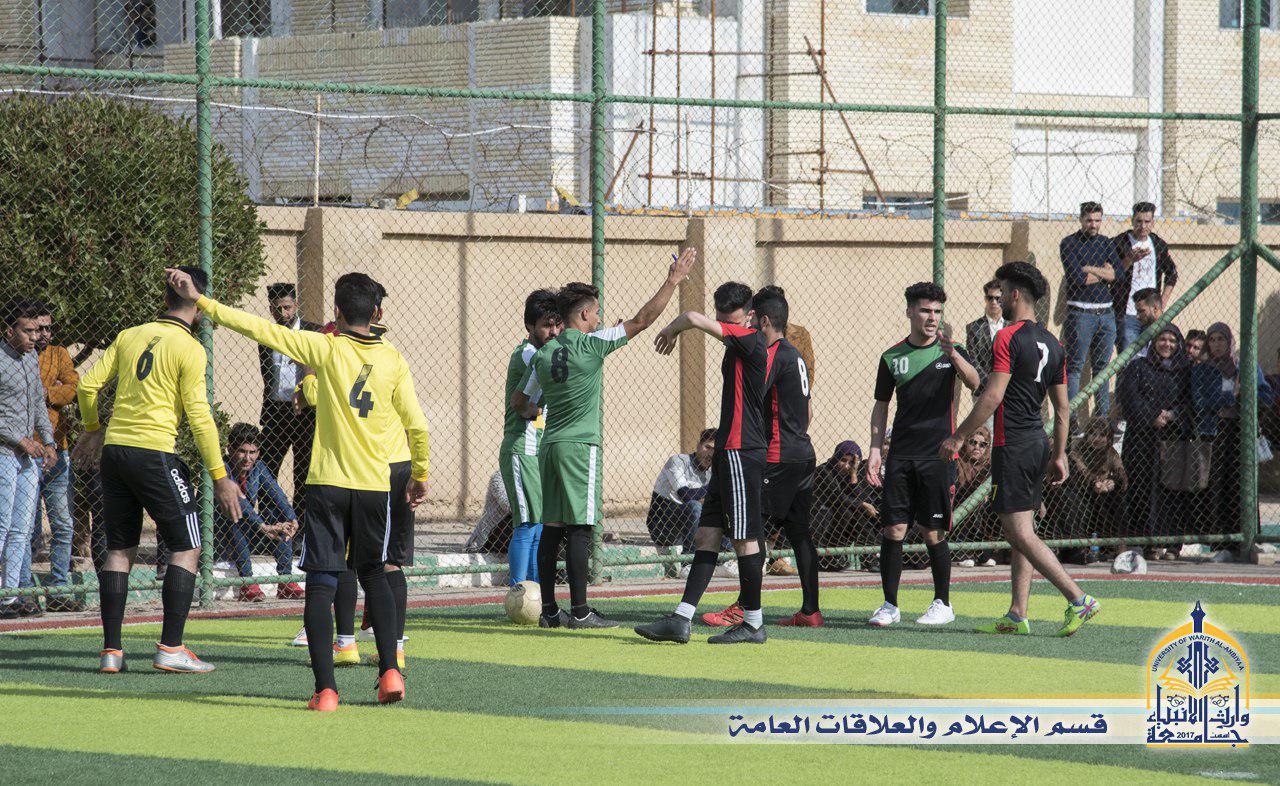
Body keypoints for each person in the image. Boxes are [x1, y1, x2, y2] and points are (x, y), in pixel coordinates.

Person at [171, 267, 430, 712]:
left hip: (327, 487)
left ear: (336, 312)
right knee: (375, 574)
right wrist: (419, 474)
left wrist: (202, 301)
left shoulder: (324, 347)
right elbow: (418, 426)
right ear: (376, 313)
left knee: (322, 583)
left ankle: (326, 691)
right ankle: (390, 669)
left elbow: (256, 328)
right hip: (374, 487)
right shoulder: (393, 359)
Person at [514, 249, 695, 631]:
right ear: (583, 315)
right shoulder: (593, 344)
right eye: (596, 313)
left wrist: (539, 409)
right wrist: (673, 280)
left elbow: (521, 402)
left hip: (549, 447)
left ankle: (550, 612)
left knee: (552, 529)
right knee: (581, 528)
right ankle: (581, 612)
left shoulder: (543, 354)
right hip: (581, 448)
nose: (600, 319)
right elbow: (643, 320)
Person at [72, 270, 243, 671]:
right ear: (199, 306)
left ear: (165, 299)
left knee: (119, 550)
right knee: (188, 546)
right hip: (155, 454)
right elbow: (199, 416)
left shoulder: (130, 335)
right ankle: (170, 648)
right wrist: (221, 477)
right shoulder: (190, 348)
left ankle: (112, 652)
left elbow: (87, 386)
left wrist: (93, 429)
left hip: (115, 453)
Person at [939, 261, 1101, 637]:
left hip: (1011, 443)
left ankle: (1079, 599)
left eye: (1001, 294)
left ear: (1014, 295)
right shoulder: (1054, 343)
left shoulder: (1007, 337)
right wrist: (1059, 455)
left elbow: (993, 394)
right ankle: (1017, 613)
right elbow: (1063, 409)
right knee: (1022, 530)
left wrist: (959, 436)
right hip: (1037, 443)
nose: (998, 301)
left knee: (1020, 534)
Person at [633, 278, 779, 645]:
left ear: (750, 317)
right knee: (707, 534)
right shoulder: (735, 341)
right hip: (727, 454)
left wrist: (672, 328)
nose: (724, 327)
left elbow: (692, 317)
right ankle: (681, 619)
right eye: (721, 320)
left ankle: (754, 623)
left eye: (731, 321)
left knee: (744, 539)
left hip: (743, 453)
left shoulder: (751, 340)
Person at [866, 282, 979, 628]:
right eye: (926, 310)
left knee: (933, 532)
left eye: (937, 312)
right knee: (894, 529)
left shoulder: (953, 351)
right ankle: (889, 605)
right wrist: (875, 450)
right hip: (901, 455)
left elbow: (977, 383)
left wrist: (955, 355)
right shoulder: (891, 357)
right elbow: (881, 406)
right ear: (910, 312)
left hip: (938, 457)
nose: (932, 317)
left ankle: (943, 603)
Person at [753, 287, 821, 627]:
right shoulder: (796, 354)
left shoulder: (774, 355)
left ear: (764, 321)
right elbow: (806, 410)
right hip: (803, 452)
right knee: (798, 532)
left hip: (779, 456)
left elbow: (752, 397)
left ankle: (745, 608)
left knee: (753, 532)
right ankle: (811, 611)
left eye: (752, 320)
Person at [1191, 323, 1275, 540]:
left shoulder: (1245, 366)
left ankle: (1249, 539)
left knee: (1243, 484)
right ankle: (1223, 544)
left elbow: (1266, 396)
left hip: (1241, 430)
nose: (1216, 344)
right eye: (1212, 340)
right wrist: (1232, 396)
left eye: (1221, 339)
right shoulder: (1202, 370)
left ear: (1230, 342)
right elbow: (1201, 403)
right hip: (1215, 432)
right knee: (1218, 487)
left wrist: (1245, 393)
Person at [0, 300, 57, 620]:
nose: (35, 337)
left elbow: (37, 403)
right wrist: (19, 439)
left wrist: (48, 441)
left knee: (21, 530)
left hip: (27, 459)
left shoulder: (31, 357)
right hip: (4, 453)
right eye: (27, 331)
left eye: (37, 330)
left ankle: (8, 598)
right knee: (2, 525)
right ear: (9, 330)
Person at [501, 290, 562, 586]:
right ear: (529, 326)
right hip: (520, 450)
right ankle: (517, 590)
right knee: (526, 524)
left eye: (557, 325)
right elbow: (548, 367)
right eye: (546, 325)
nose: (553, 332)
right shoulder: (527, 354)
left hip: (537, 451)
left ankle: (534, 591)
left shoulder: (545, 352)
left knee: (538, 526)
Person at [1118, 326, 1190, 559]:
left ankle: (1170, 544)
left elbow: (1191, 402)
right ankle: (1144, 542)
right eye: (1162, 339)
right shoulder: (1139, 367)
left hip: (1172, 439)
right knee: (1140, 488)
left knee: (1170, 491)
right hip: (1141, 440)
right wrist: (1152, 416)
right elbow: (1129, 397)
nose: (1167, 344)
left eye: (1172, 340)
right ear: (1153, 342)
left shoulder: (1185, 371)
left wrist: (1171, 415)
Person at [29, 306, 80, 611]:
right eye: (40, 328)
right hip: (26, 451)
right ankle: (22, 587)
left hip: (57, 450)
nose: (45, 334)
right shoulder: (18, 356)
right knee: (28, 528)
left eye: (49, 328)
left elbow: (72, 388)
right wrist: (53, 390)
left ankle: (59, 586)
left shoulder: (59, 354)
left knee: (63, 524)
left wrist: (46, 394)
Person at [216, 423, 302, 602]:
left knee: (281, 520)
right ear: (230, 450)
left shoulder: (258, 467)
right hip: (220, 537)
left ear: (258, 452)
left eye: (252, 452)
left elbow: (277, 493)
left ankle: (286, 581)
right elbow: (240, 503)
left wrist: (292, 519)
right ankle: (247, 583)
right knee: (236, 517)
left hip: (250, 532)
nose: (247, 458)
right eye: (242, 451)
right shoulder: (221, 469)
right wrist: (262, 526)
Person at [258, 283, 322, 514]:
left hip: (305, 412)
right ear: (270, 309)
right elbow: (268, 375)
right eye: (277, 309)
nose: (283, 314)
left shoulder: (314, 332)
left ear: (296, 305)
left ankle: (300, 526)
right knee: (267, 468)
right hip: (276, 410)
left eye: (287, 307)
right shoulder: (266, 336)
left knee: (303, 472)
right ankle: (269, 523)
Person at [1061, 201, 1120, 429]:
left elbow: (1118, 274)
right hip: (1080, 313)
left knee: (1102, 368)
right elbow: (1077, 278)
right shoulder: (1069, 243)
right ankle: (1072, 420)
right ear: (1081, 220)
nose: (1093, 225)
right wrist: (1105, 272)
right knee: (1075, 367)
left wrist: (1090, 269)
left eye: (1097, 220)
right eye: (1089, 220)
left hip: (1107, 314)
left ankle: (1101, 421)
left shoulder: (1106, 243)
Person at [1113, 202, 1177, 352]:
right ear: (1132, 221)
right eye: (1139, 221)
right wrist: (1129, 260)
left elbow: (1172, 274)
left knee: (1151, 356)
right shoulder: (1120, 243)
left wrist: (1161, 303)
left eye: (1147, 222)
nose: (1143, 226)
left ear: (1153, 222)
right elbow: (1112, 274)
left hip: (1152, 314)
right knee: (1129, 357)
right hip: (1128, 313)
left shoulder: (1158, 244)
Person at [1061, 417, 1126, 564]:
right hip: (1084, 490)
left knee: (1117, 501)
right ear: (1087, 436)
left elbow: (1121, 472)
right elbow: (1081, 472)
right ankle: (1082, 548)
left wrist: (1113, 482)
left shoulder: (1111, 452)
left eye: (1102, 435)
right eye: (1093, 434)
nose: (1097, 439)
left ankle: (1118, 546)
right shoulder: (1078, 451)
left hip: (1104, 490)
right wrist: (1094, 483)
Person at [646, 428, 715, 557]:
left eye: (715, 450)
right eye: (707, 447)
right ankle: (688, 559)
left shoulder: (712, 472)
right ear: (698, 445)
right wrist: (715, 485)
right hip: (661, 527)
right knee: (694, 505)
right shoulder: (678, 461)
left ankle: (725, 555)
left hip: (690, 529)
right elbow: (685, 495)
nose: (710, 454)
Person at [811, 441, 879, 571]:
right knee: (849, 510)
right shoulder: (824, 471)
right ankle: (830, 557)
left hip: (845, 516)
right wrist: (862, 504)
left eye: (851, 462)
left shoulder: (857, 472)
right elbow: (837, 497)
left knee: (860, 512)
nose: (847, 465)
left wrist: (853, 477)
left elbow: (862, 497)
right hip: (823, 515)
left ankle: (868, 558)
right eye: (843, 460)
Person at [952, 425, 998, 568]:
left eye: (982, 444)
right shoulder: (958, 461)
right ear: (965, 443)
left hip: (982, 509)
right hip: (959, 505)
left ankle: (983, 553)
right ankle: (961, 552)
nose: (977, 447)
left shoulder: (988, 466)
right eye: (973, 442)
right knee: (970, 504)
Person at [965, 280, 1005, 397]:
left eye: (998, 298)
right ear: (985, 299)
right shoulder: (973, 327)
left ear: (1003, 299)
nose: (994, 302)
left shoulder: (1012, 325)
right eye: (990, 298)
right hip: (984, 390)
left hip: (1010, 389)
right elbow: (973, 359)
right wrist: (990, 384)